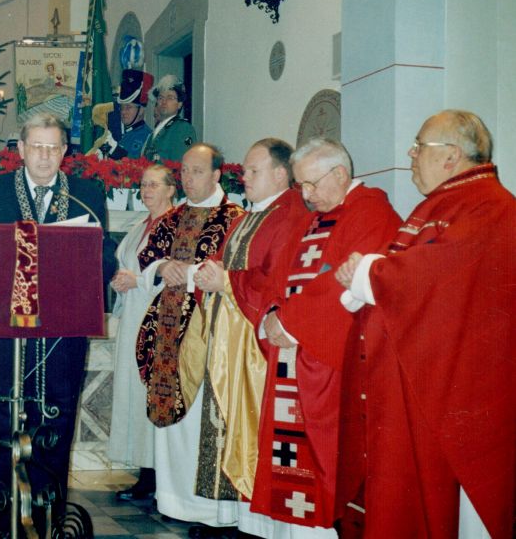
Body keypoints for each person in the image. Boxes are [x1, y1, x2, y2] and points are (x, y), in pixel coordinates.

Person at [334, 110, 515, 538]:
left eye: (420, 146)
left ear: (451, 156)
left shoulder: (488, 206)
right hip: (413, 384)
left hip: (454, 392)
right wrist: (369, 272)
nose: (410, 154)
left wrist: (370, 273)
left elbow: (439, 277)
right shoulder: (443, 203)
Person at [0, 112, 116, 536]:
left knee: (55, 424)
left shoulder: (87, 193)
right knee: (3, 422)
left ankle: (49, 522)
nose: (45, 156)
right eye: (37, 147)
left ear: (65, 151)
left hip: (61, 337)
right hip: (5, 334)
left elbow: (103, 257)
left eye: (53, 148)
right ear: (21, 150)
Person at [249, 138, 400, 537]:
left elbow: (344, 285)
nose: (307, 195)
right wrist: (270, 316)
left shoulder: (372, 211)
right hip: (292, 357)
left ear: (340, 174)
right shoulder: (311, 215)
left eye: (312, 184)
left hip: (332, 361)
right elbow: (281, 273)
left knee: (326, 461)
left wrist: (292, 322)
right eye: (301, 186)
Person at [188, 138, 309, 537]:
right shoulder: (251, 214)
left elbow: (277, 281)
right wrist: (213, 275)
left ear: (280, 174)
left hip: (253, 348)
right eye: (245, 171)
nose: (245, 177)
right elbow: (230, 263)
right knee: (226, 422)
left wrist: (226, 280)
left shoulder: (290, 215)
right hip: (228, 340)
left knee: (250, 426)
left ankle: (258, 521)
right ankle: (232, 516)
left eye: (253, 172)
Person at [134, 144, 244, 525]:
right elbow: (147, 258)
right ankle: (172, 499)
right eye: (184, 171)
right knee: (172, 425)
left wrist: (193, 271)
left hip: (210, 332)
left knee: (204, 418)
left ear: (217, 175)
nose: (188, 178)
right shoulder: (171, 217)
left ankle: (211, 509)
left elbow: (238, 266)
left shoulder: (235, 218)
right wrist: (166, 266)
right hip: (166, 331)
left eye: (197, 171)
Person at [108, 164, 177, 501]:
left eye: (154, 185)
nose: (147, 190)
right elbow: (130, 267)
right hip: (133, 316)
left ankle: (157, 476)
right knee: (135, 395)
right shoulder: (140, 225)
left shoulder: (176, 223)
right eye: (143, 185)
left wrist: (135, 281)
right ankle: (144, 471)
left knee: (154, 393)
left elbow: (174, 272)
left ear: (170, 189)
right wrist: (121, 281)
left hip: (158, 320)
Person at [141, 74, 197, 162]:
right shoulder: (155, 132)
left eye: (170, 98)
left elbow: (180, 167)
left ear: (179, 104)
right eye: (160, 97)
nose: (164, 102)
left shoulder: (183, 129)